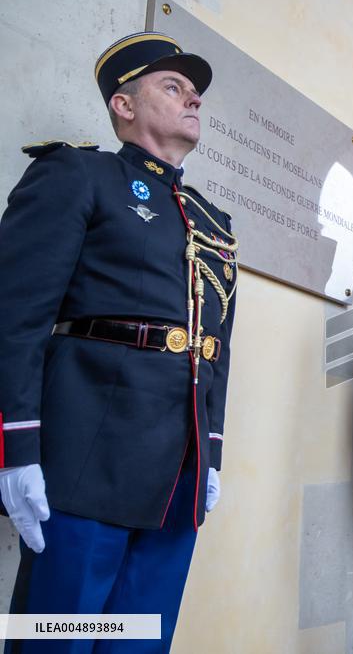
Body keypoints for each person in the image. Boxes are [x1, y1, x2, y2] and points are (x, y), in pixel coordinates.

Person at [0, 32, 237, 651]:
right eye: (173, 86)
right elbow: (16, 316)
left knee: (136, 641)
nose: (193, 100)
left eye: (196, 93)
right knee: (60, 639)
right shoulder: (78, 175)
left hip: (175, 472)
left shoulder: (212, 222)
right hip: (88, 461)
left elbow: (215, 345)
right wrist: (15, 447)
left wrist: (210, 450)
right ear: (123, 107)